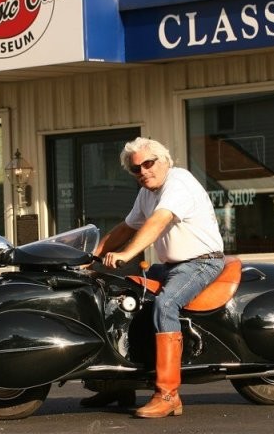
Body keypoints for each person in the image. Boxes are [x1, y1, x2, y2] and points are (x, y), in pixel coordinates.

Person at [82, 137, 225, 418]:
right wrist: (91, 256)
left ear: (165, 161)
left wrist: (127, 253)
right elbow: (126, 227)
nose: (144, 171)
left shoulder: (178, 182)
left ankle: (168, 394)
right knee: (120, 298)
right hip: (170, 266)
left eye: (149, 163)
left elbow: (158, 221)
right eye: (137, 169)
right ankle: (120, 383)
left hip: (201, 263)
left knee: (165, 305)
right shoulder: (147, 193)